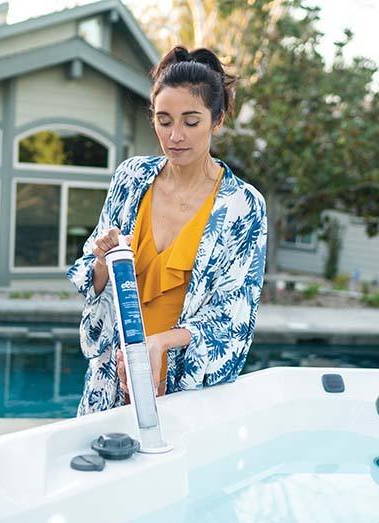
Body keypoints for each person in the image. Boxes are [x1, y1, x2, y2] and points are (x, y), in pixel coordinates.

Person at [66, 45, 267, 416]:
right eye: (164, 120)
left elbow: (234, 313)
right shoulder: (131, 178)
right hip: (113, 375)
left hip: (186, 387)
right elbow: (90, 277)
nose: (175, 136)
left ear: (217, 119)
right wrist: (100, 260)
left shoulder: (243, 205)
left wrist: (160, 344)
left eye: (191, 122)